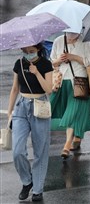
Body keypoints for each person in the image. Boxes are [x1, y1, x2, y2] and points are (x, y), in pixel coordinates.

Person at [6, 43, 53, 202]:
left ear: (39, 49)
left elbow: (49, 89)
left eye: (31, 51)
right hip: (21, 107)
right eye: (25, 51)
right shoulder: (19, 64)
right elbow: (14, 89)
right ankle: (27, 181)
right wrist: (10, 111)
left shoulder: (46, 64)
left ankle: (37, 189)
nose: (28, 54)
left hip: (40, 106)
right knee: (17, 150)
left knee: (41, 150)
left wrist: (37, 73)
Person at [49, 32, 90, 159]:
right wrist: (59, 60)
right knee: (68, 112)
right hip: (62, 82)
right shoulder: (58, 41)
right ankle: (77, 135)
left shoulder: (85, 41)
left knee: (73, 112)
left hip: (80, 83)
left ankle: (67, 144)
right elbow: (52, 62)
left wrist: (74, 57)